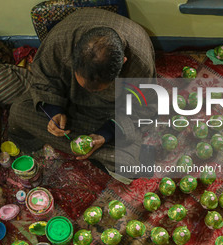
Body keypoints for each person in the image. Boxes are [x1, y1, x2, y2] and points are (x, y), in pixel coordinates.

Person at [8, 8, 156, 183]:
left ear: (122, 63)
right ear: (74, 55)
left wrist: (105, 134)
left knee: (131, 164)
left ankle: (96, 149)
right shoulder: (61, 41)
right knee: (18, 111)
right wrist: (53, 110)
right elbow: (44, 77)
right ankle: (96, 154)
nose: (89, 91)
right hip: (68, 103)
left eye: (98, 89)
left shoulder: (140, 63)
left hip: (108, 114)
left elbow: (143, 109)